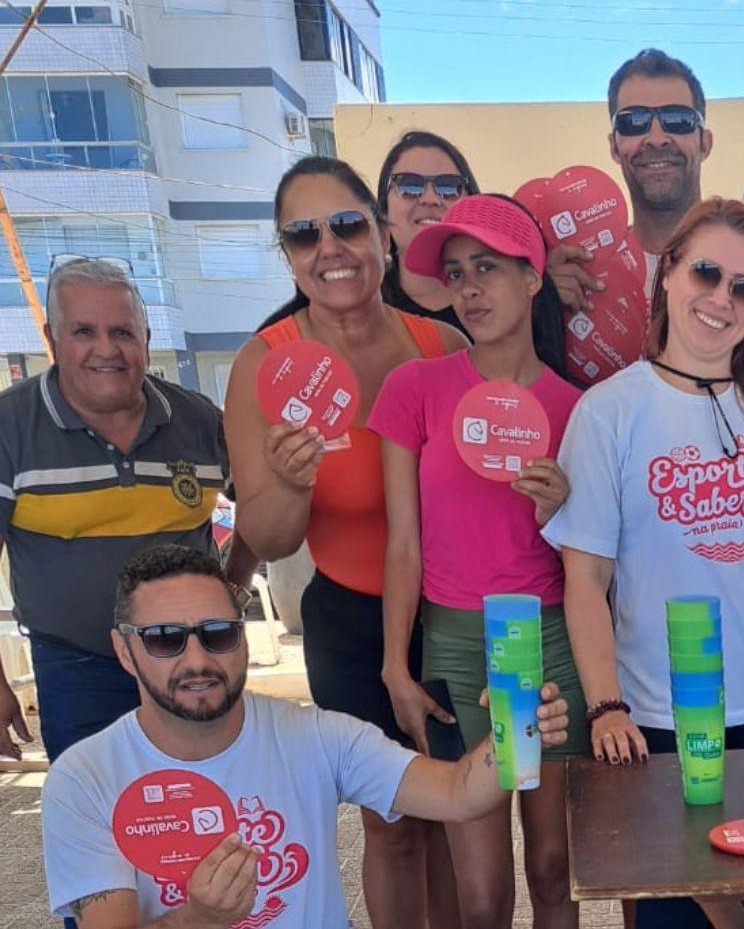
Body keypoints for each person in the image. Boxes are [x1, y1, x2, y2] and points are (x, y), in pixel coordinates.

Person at [545, 197, 744, 929]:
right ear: (668, 273)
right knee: (678, 917)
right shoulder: (608, 411)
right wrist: (607, 704)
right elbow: (586, 578)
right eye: (707, 272)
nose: (722, 299)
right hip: (661, 723)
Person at [41, 544, 569, 928]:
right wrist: (197, 920)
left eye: (218, 634)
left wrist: (513, 737)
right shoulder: (86, 778)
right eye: (165, 641)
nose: (197, 661)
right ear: (123, 650)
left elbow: (456, 794)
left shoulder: (312, 736)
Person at [223, 156, 467, 929]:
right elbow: (265, 536)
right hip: (352, 625)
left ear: (383, 235)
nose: (328, 246)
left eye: (346, 224)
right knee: (393, 828)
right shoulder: (264, 364)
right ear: (288, 256)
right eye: (302, 234)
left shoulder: (445, 344)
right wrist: (290, 482)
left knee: (460, 823)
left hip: (453, 620)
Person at [373, 194, 586, 929]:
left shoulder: (577, 407)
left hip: (551, 638)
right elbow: (402, 542)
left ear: (533, 279)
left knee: (556, 869)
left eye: (488, 268)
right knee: (482, 893)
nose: (469, 288)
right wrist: (396, 666)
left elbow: (596, 560)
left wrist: (562, 508)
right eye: (457, 273)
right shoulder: (414, 390)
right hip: (458, 643)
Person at [0, 258, 255, 764]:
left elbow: (263, 511)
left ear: (146, 338)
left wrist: (234, 585)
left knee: (209, 805)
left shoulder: (199, 422)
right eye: (84, 331)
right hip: (74, 668)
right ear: (52, 337)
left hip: (192, 659)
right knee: (95, 819)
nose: (106, 349)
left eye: (123, 332)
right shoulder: (1, 428)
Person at [547, 48, 744, 360]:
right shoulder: (585, 270)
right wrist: (542, 312)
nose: (656, 138)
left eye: (677, 121)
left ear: (704, 143)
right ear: (614, 146)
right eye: (634, 122)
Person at [377, 130, 482, 331]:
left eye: (449, 186)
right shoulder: (362, 304)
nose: (430, 198)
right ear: (383, 210)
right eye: (408, 185)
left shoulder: (512, 293)